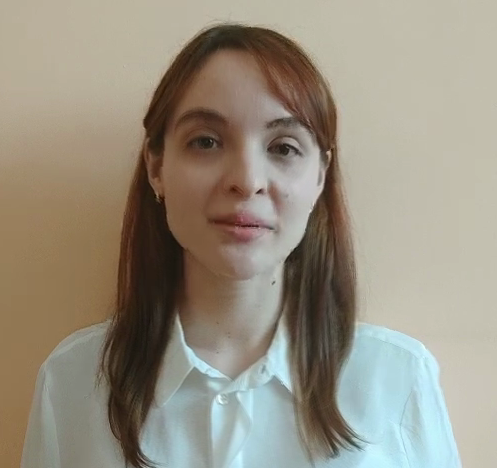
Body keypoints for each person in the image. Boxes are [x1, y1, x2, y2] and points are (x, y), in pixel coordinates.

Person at [20, 23, 461, 468]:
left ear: (320, 176)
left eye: (283, 148)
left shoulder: (397, 381)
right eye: (206, 142)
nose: (247, 181)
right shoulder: (72, 383)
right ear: (156, 166)